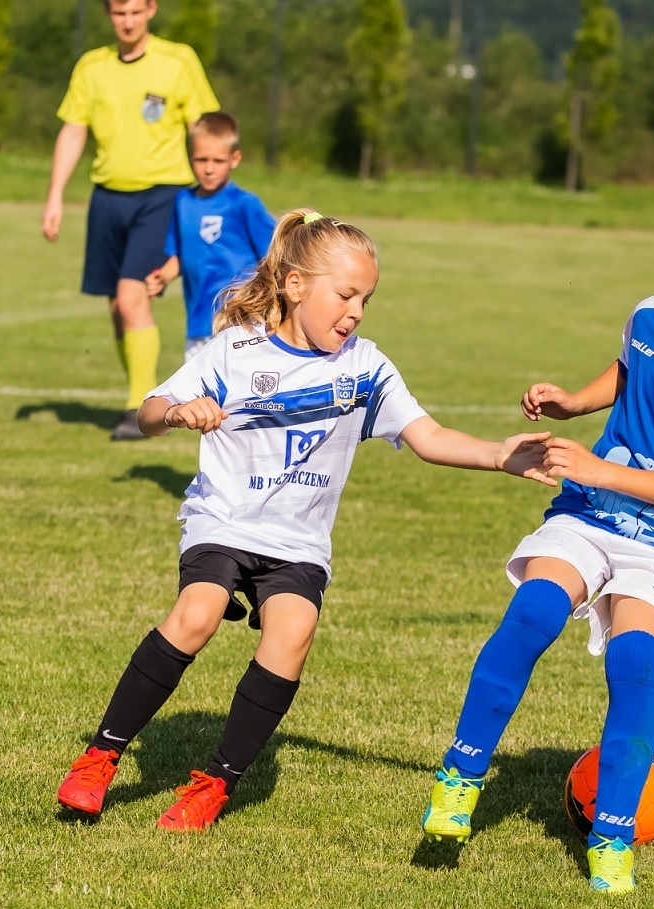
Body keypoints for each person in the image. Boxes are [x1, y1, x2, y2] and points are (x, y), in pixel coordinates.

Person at [55, 208, 556, 832]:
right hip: (225, 520)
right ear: (295, 286)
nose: (356, 312)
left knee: (292, 633)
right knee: (198, 613)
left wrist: (499, 456)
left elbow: (427, 437)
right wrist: (180, 412)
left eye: (366, 300)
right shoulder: (236, 351)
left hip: (298, 542)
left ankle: (213, 784)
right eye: (345, 295)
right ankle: (100, 757)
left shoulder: (365, 367)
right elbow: (150, 408)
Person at [419, 181, 654, 895]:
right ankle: (461, 777)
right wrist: (573, 400)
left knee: (633, 661)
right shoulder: (650, 316)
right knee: (532, 612)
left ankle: (613, 837)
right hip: (590, 515)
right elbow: (629, 370)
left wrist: (601, 466)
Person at [42, 0, 220, 440]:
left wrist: (208, 195)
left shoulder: (178, 61)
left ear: (151, 10)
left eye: (136, 11)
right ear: (108, 14)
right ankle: (142, 395)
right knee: (117, 309)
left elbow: (205, 128)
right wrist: (55, 195)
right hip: (107, 199)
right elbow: (73, 129)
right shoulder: (92, 66)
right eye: (119, 12)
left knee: (131, 296)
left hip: (162, 196)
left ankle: (140, 408)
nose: (128, 21)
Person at [144, 111, 273, 360]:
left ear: (234, 159)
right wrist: (162, 277)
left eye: (218, 160)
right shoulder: (183, 202)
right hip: (199, 323)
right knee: (197, 395)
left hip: (241, 321)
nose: (209, 169)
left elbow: (274, 256)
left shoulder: (245, 204)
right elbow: (179, 256)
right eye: (201, 160)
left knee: (239, 396)